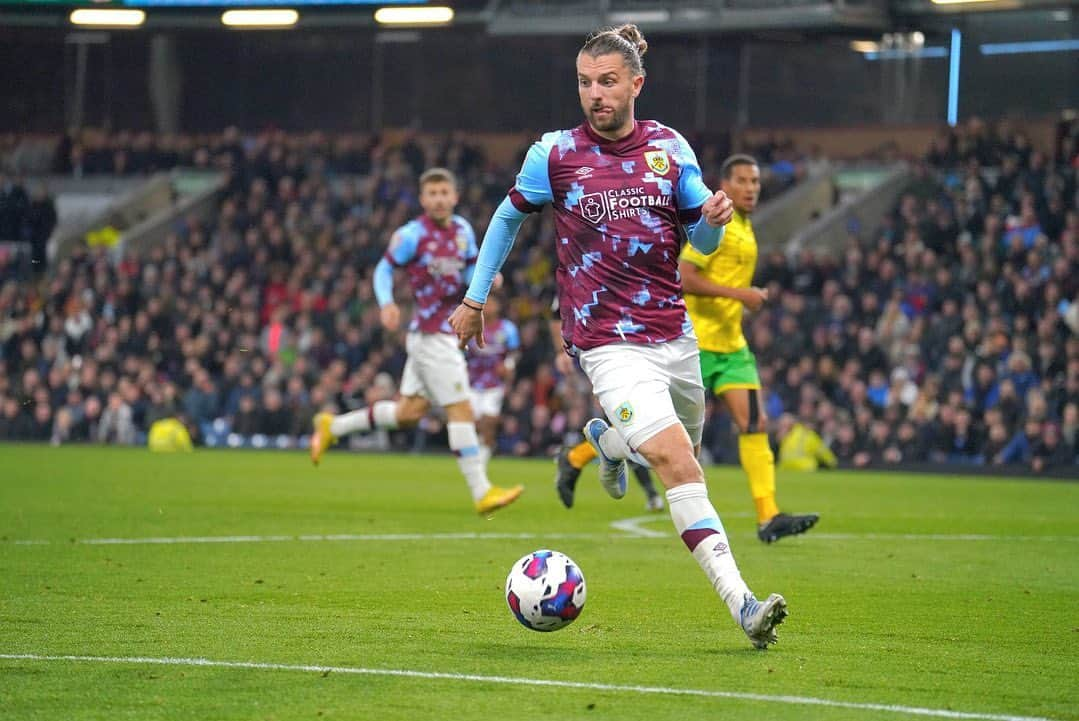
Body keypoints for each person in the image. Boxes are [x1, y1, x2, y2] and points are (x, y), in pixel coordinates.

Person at [449, 25, 787, 649]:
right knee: (675, 460)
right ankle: (743, 604)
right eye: (584, 82)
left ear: (636, 83)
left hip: (675, 338)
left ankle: (605, 443)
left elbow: (701, 244)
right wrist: (476, 296)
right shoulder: (553, 154)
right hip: (605, 341)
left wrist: (713, 221)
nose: (594, 95)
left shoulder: (668, 149)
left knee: (679, 453)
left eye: (607, 82)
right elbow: (505, 218)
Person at [310, 167, 524, 516]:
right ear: (423, 200)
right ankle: (481, 491)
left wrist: (489, 278)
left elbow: (468, 268)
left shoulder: (463, 231)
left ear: (454, 196)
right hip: (432, 335)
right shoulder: (411, 235)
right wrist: (387, 302)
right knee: (462, 409)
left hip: (443, 332)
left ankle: (333, 425)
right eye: (432, 194)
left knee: (408, 413)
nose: (439, 199)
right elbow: (383, 269)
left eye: (445, 193)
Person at [678, 154, 821, 543]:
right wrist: (740, 294)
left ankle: (767, 516)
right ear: (725, 184)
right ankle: (579, 456)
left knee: (755, 425)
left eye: (756, 182)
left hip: (732, 347)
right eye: (742, 181)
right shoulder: (715, 225)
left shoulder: (745, 227)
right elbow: (685, 276)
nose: (751, 188)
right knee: (658, 431)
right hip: (695, 342)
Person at [548, 298, 664, 512]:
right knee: (634, 423)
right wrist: (559, 352)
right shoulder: (583, 271)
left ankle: (576, 457)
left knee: (637, 425)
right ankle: (652, 493)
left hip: (647, 353)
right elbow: (558, 310)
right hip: (608, 358)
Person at [465, 293, 520, 464]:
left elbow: (515, 353)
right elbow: (461, 349)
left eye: (492, 304)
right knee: (473, 422)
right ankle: (477, 449)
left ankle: (484, 455)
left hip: (494, 382)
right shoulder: (471, 325)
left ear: (498, 307)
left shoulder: (507, 329)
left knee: (489, 420)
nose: (488, 307)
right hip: (472, 381)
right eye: (486, 303)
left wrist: (508, 366)